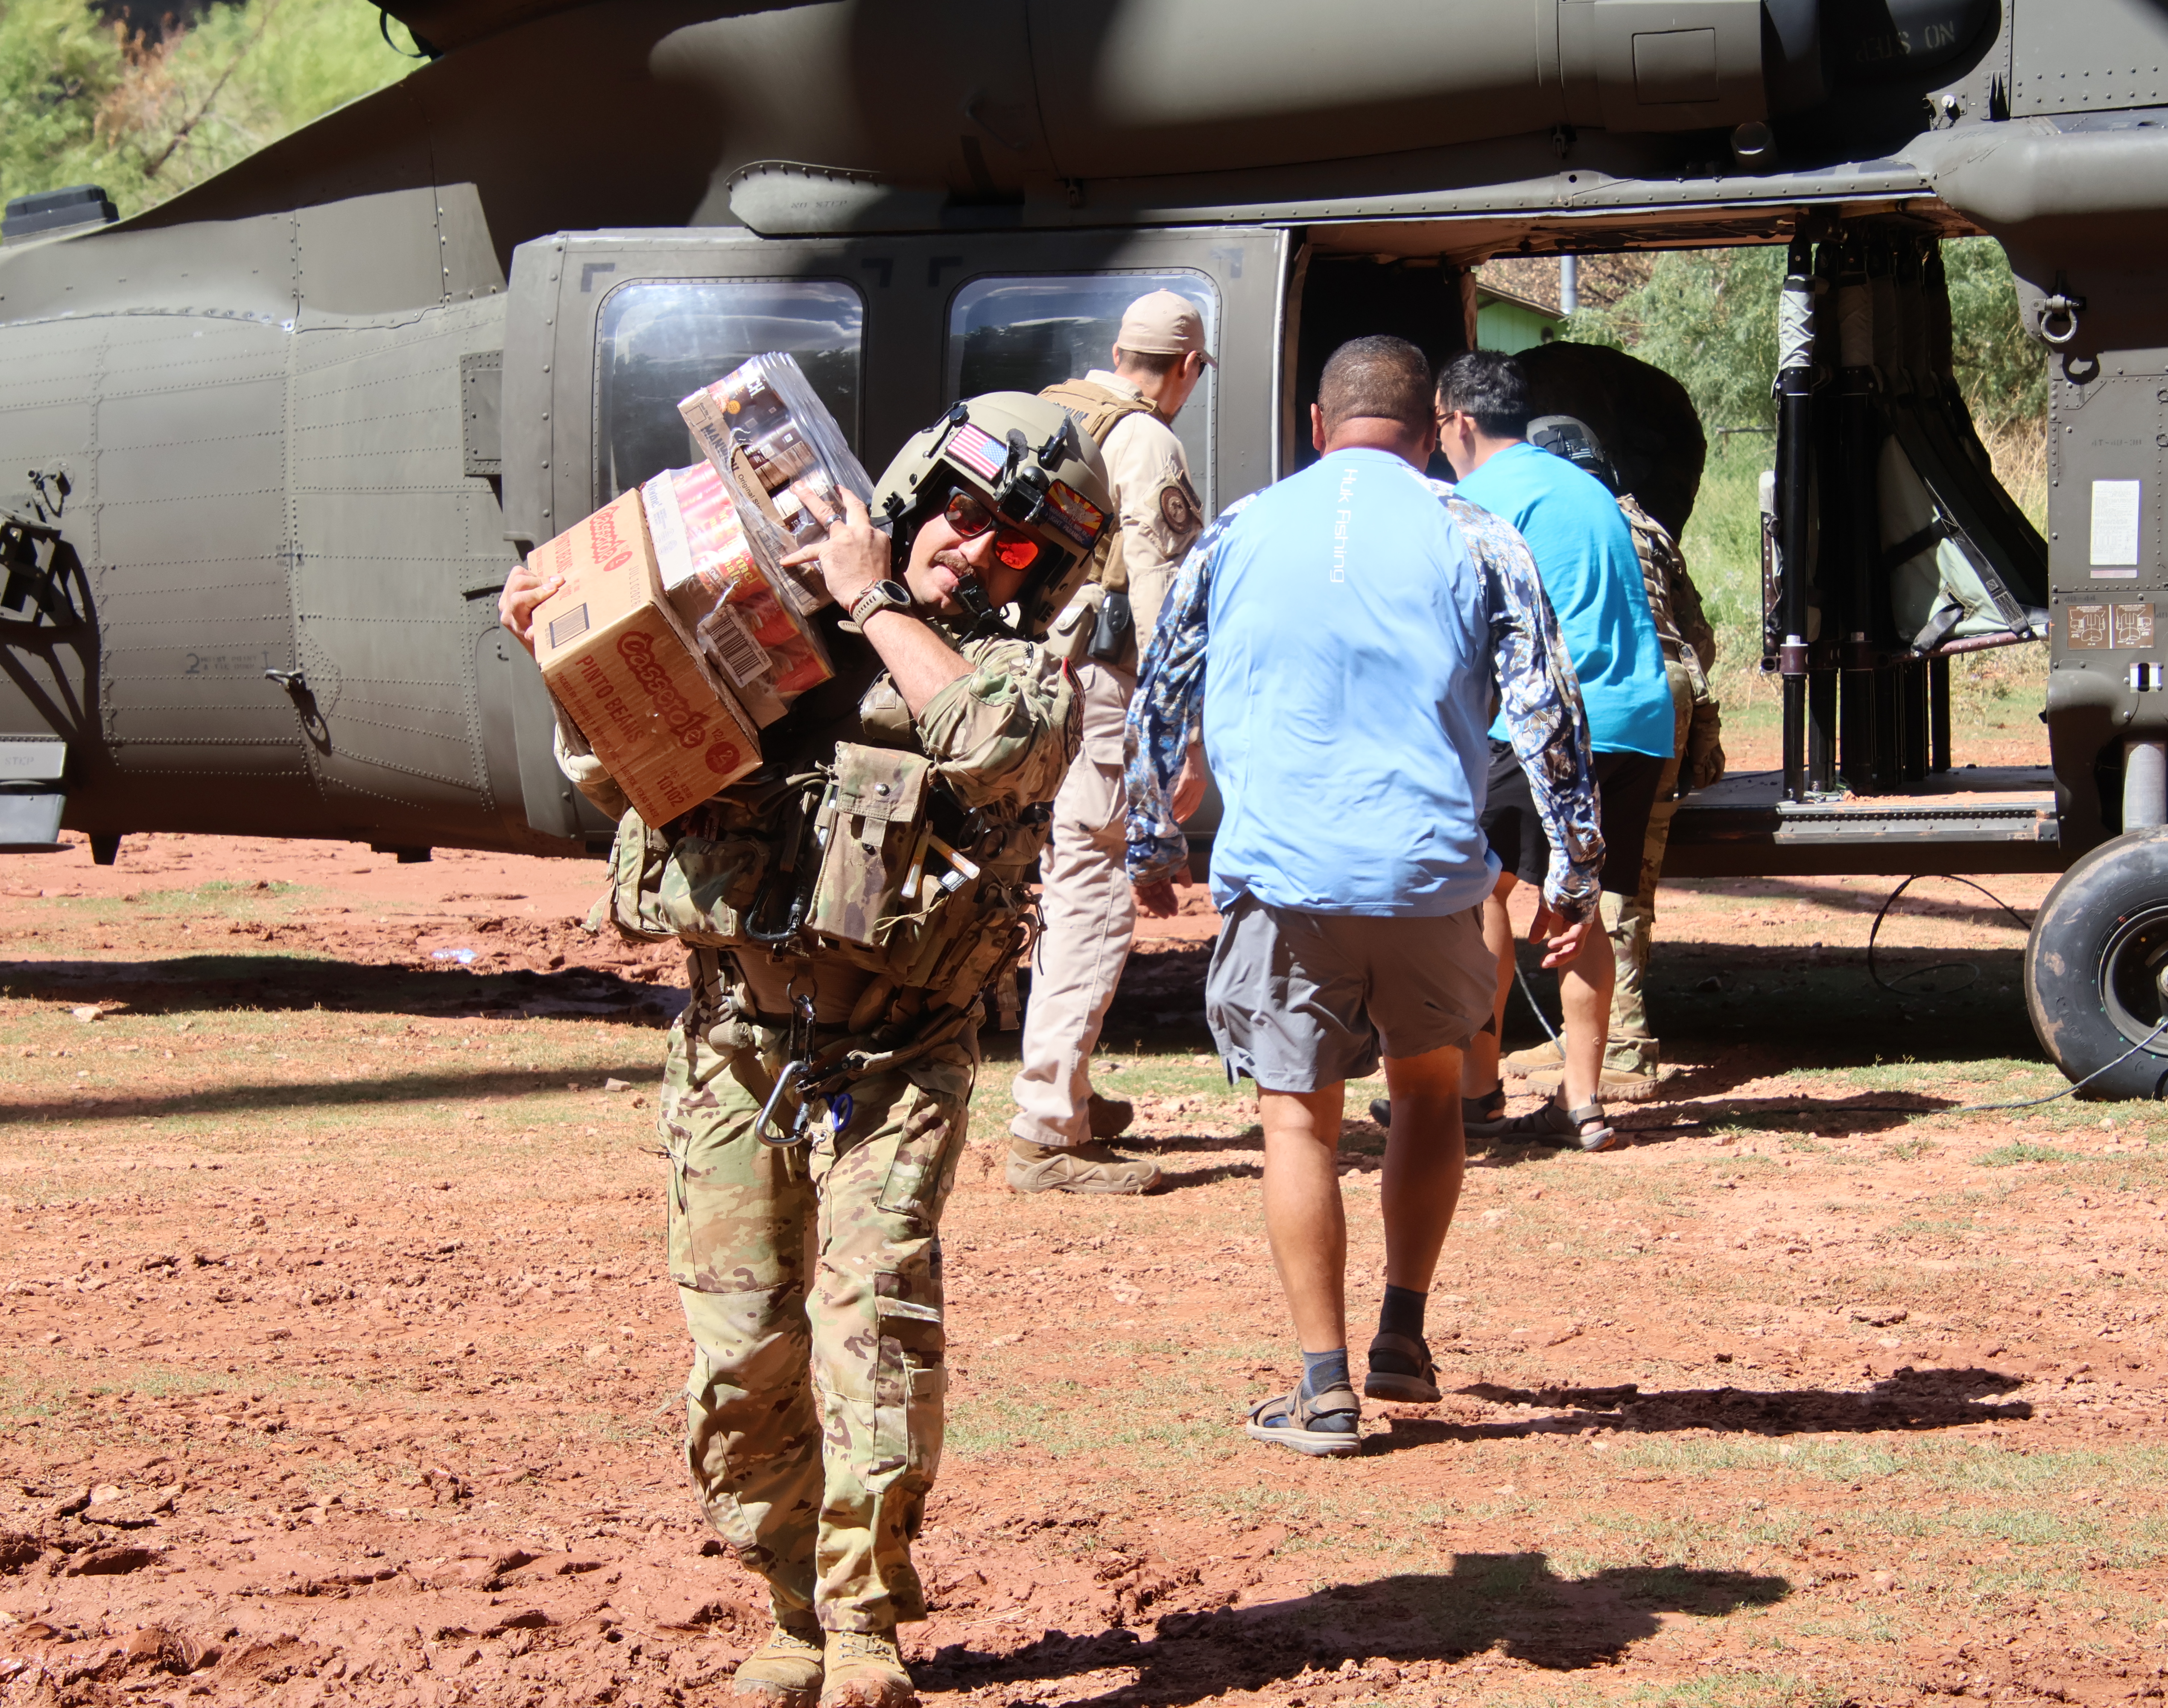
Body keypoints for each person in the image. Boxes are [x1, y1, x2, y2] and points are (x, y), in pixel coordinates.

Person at [498, 395, 1108, 1708]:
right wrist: (567, 653)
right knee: (740, 1360)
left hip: (897, 1064)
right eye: (964, 513)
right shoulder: (760, 632)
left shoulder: (1014, 675)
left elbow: (1004, 751)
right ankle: (791, 1606)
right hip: (737, 1045)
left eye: (1014, 548)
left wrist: (879, 599)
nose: (977, 549)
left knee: (874, 1332)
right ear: (912, 488)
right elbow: (617, 773)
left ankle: (867, 1630)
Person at [1124, 336, 1601, 1458]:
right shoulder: (1475, 532)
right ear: (1434, 425)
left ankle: (1323, 1387)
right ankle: (1404, 1336)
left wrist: (1152, 835)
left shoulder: (1237, 534)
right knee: (1430, 1094)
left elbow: (1161, 685)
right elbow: (1548, 710)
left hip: (1283, 871)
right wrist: (1573, 869)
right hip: (1431, 867)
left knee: (1297, 1114)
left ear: (1313, 419)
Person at [1433, 356, 1673, 1150]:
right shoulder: (1584, 483)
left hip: (1552, 724)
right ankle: (1583, 1103)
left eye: (1438, 426)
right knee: (1580, 904)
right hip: (1638, 718)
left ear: (1461, 421)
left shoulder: (1479, 500)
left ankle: (1475, 1093)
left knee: (1488, 891)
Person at [1007, 290, 1214, 1195]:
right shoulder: (1147, 440)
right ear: (1188, 368)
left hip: (1030, 683)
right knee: (1096, 888)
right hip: (1103, 687)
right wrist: (1183, 734)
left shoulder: (1051, 411)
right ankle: (1048, 1129)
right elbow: (1163, 598)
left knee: (1067, 879)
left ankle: (1072, 1094)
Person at [1507, 415, 1725, 1100]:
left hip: (1593, 698)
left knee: (1599, 874)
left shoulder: (1553, 516)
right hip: (1665, 692)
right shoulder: (1641, 521)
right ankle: (1594, 1034)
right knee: (1626, 870)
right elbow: (1699, 636)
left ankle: (1622, 1046)